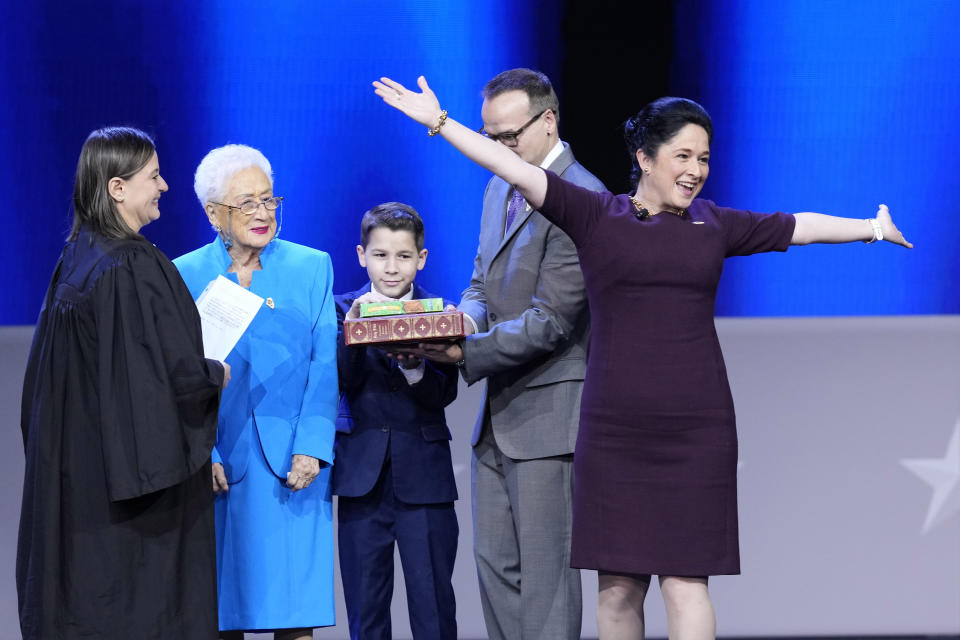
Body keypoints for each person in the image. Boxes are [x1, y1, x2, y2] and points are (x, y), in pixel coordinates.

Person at [372, 77, 913, 640]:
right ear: (645, 159)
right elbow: (514, 170)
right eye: (682, 155)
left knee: (686, 582)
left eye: (703, 158)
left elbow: (797, 227)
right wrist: (440, 124)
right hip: (614, 431)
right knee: (618, 587)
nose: (696, 169)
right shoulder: (597, 216)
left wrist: (872, 229)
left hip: (697, 430)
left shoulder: (714, 223)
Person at [398, 68, 604, 639]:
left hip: (548, 420)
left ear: (548, 121)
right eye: (490, 136)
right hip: (498, 417)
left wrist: (462, 352)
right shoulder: (499, 186)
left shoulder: (581, 197)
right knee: (495, 572)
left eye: (509, 136)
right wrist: (457, 320)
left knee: (545, 582)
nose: (498, 148)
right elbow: (481, 284)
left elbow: (554, 321)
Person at [17, 126, 228, 639]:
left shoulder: (78, 256)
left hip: (79, 480)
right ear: (117, 188)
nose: (165, 186)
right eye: (153, 176)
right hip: (133, 507)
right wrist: (213, 375)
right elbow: (165, 378)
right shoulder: (132, 262)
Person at [173, 144, 338, 639]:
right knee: (220, 615)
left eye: (269, 200)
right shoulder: (183, 274)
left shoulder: (312, 266)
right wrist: (204, 452)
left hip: (293, 466)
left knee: (295, 618)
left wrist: (312, 445)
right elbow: (177, 377)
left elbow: (324, 364)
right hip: (218, 468)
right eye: (246, 203)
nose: (262, 213)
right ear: (212, 213)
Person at [333, 202, 460, 640]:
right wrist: (351, 336)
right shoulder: (338, 309)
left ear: (421, 259)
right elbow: (336, 383)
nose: (391, 268)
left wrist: (414, 367)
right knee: (366, 610)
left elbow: (443, 393)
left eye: (403, 256)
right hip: (361, 479)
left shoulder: (439, 311)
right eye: (381, 255)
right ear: (361, 255)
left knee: (434, 608)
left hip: (424, 479)